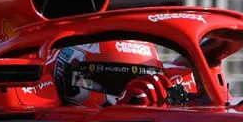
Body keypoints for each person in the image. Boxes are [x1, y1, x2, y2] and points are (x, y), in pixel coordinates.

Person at [51, 39, 188, 106]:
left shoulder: (177, 79)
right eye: (113, 81)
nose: (132, 92)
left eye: (142, 79)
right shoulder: (42, 89)